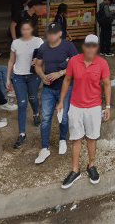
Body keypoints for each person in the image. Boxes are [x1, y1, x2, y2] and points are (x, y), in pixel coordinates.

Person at [58, 34, 111, 189]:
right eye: (88, 45)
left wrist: (107, 106)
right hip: (75, 106)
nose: (90, 48)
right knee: (76, 139)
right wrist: (61, 101)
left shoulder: (102, 63)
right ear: (83, 46)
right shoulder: (74, 61)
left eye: (94, 45)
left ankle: (91, 165)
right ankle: (75, 170)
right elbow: (67, 80)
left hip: (94, 107)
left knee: (91, 138)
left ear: (97, 47)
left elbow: (107, 84)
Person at [33, 22, 78, 164]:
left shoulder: (68, 46)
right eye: (48, 33)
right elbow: (38, 65)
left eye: (53, 33)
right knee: (45, 118)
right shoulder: (43, 47)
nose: (50, 36)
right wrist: (42, 76)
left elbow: (77, 64)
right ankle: (44, 147)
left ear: (59, 34)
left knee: (63, 117)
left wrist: (61, 73)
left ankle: (62, 139)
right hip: (48, 89)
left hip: (65, 87)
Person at [6, 21, 43, 149]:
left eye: (28, 29)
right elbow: (11, 61)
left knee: (32, 97)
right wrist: (7, 79)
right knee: (22, 103)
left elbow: (45, 57)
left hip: (33, 75)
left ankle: (36, 113)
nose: (25, 31)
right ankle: (22, 133)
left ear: (32, 29)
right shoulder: (15, 43)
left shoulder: (38, 41)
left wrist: (38, 61)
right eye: (23, 29)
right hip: (18, 76)